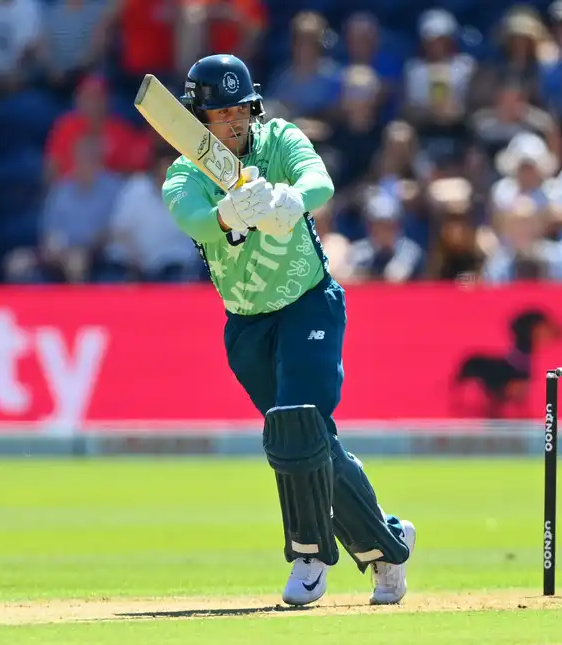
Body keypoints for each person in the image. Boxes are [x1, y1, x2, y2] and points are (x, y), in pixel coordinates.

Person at [161, 54, 415, 607]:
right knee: (307, 439)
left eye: (239, 111)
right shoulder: (185, 173)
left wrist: (292, 199)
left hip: (308, 304)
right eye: (220, 114)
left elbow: (318, 179)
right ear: (198, 118)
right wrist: (231, 214)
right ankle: (387, 544)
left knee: (298, 423)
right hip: (247, 324)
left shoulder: (278, 138)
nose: (233, 123)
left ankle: (308, 556)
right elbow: (194, 220)